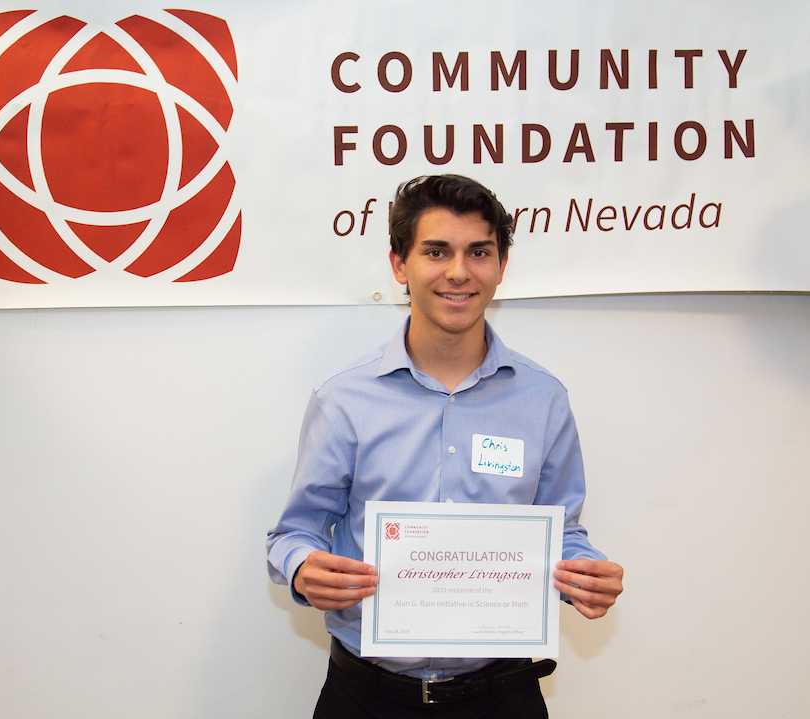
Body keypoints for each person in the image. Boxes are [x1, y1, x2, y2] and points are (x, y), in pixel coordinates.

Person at [266, 174, 624, 718]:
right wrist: (301, 567)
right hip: (367, 697)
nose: (458, 271)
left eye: (478, 252)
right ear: (398, 265)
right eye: (436, 251)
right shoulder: (344, 399)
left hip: (501, 697)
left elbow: (561, 530)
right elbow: (294, 533)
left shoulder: (543, 399)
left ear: (501, 267)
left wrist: (585, 574)